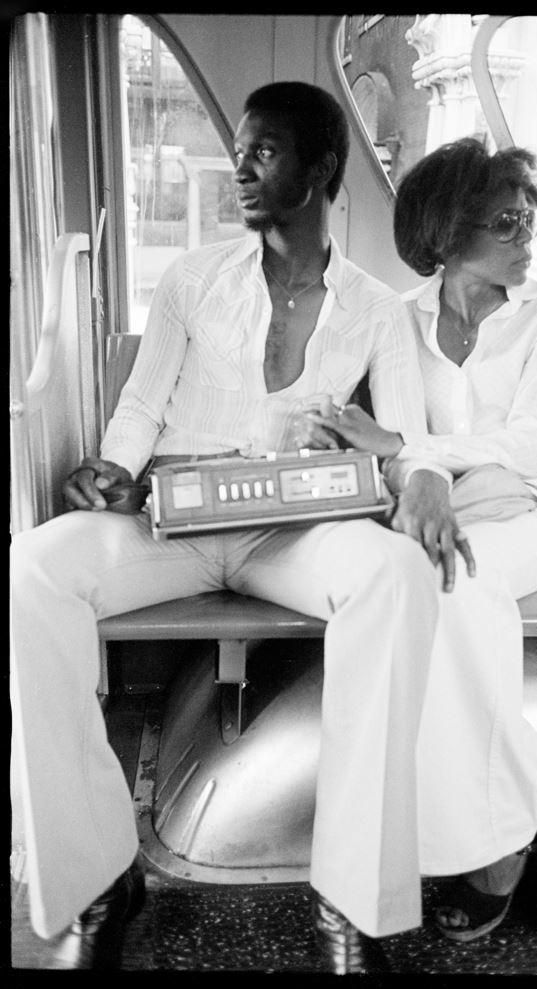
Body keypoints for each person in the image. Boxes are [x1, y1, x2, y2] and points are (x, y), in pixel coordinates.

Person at [9, 83, 475, 974]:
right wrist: (113, 468)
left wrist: (421, 482)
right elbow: (144, 402)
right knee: (32, 566)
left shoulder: (375, 309)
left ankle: (351, 901)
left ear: (321, 169)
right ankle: (99, 875)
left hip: (290, 534)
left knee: (398, 575)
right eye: (242, 149)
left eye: (263, 152)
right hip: (169, 520)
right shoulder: (191, 279)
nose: (240, 168)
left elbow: (404, 435)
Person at [308, 138, 537, 942]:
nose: (527, 239)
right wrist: (406, 458)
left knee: (451, 587)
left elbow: (521, 442)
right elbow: (401, 433)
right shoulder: (397, 320)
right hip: (435, 508)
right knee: (432, 590)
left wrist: (412, 458)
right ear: (446, 235)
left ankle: (495, 855)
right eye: (508, 222)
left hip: (526, 511)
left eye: (529, 220)